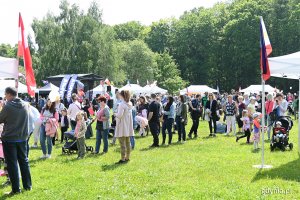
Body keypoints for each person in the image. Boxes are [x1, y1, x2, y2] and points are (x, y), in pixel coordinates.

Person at [0, 87, 32, 195]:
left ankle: (16, 189)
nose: (5, 97)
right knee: (24, 161)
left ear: (9, 94)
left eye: (5, 95)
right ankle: (28, 186)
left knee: (12, 164)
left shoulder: (8, 106)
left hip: (10, 139)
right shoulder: (25, 104)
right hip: (22, 138)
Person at [114, 90, 134, 164]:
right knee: (128, 142)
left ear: (122, 95)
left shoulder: (122, 104)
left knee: (122, 143)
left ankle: (123, 158)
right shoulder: (130, 103)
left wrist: (115, 114)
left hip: (122, 125)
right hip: (128, 125)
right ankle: (127, 157)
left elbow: (119, 115)